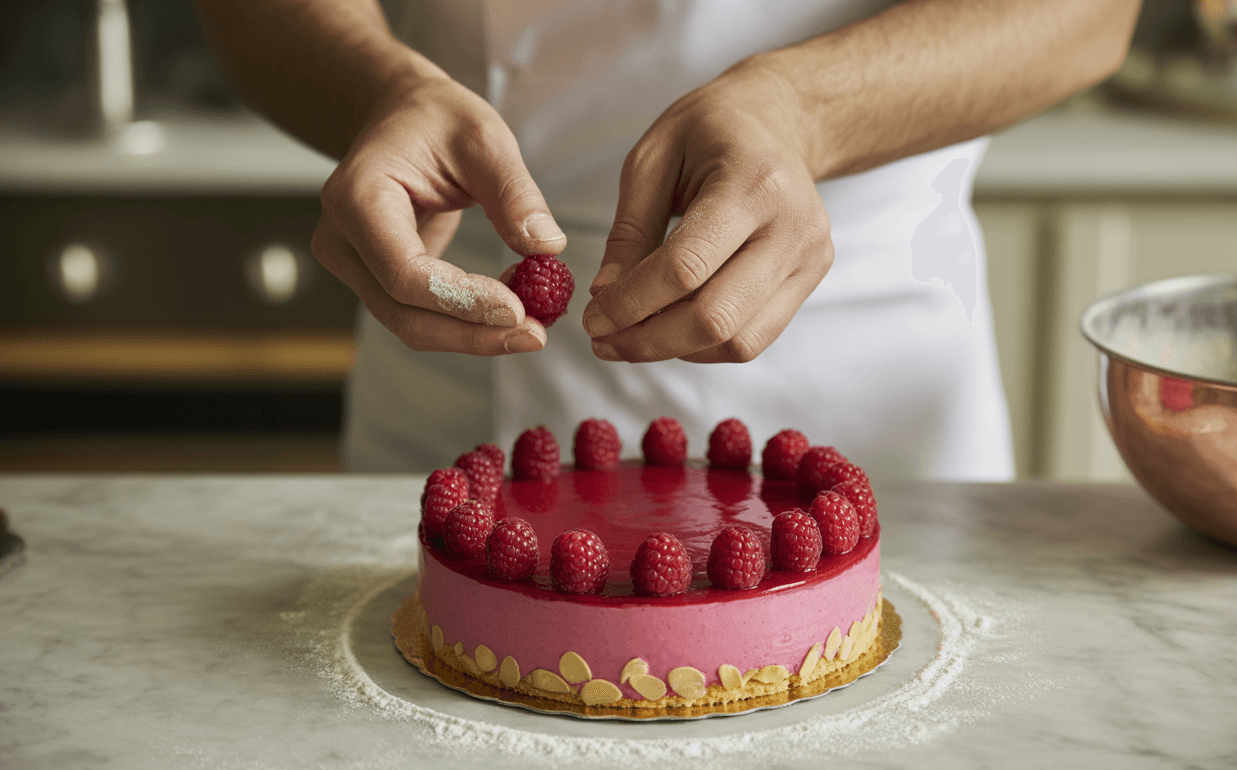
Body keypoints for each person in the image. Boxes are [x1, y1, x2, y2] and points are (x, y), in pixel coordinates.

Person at [197, 0, 1140, 478]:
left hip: (849, 352)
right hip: (447, 344)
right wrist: (379, 92)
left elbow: (1094, 13)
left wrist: (803, 111)